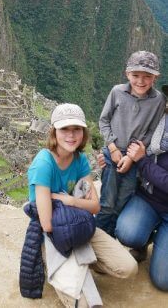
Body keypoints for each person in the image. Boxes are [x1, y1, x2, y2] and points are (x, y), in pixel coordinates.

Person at [26, 103, 137, 306]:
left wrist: (69, 200)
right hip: (53, 235)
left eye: (76, 129)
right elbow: (47, 223)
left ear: (83, 132)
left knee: (128, 267)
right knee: (86, 304)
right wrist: (80, 206)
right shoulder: (44, 163)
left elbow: (95, 206)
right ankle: (55, 263)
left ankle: (85, 263)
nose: (71, 135)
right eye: (64, 129)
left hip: (79, 225)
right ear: (54, 132)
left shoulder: (80, 160)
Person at [96, 51, 166, 236]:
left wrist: (130, 156)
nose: (140, 81)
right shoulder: (117, 92)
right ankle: (98, 238)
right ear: (127, 74)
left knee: (123, 200)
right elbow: (104, 121)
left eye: (147, 76)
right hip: (113, 153)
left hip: (134, 156)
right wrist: (111, 147)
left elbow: (153, 130)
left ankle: (111, 240)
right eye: (135, 75)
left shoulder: (158, 100)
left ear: (155, 78)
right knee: (108, 201)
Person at [115, 84, 168, 291]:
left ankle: (159, 239)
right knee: (128, 232)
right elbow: (128, 136)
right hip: (148, 198)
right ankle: (143, 242)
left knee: (163, 281)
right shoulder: (157, 120)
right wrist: (111, 153)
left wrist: (143, 162)